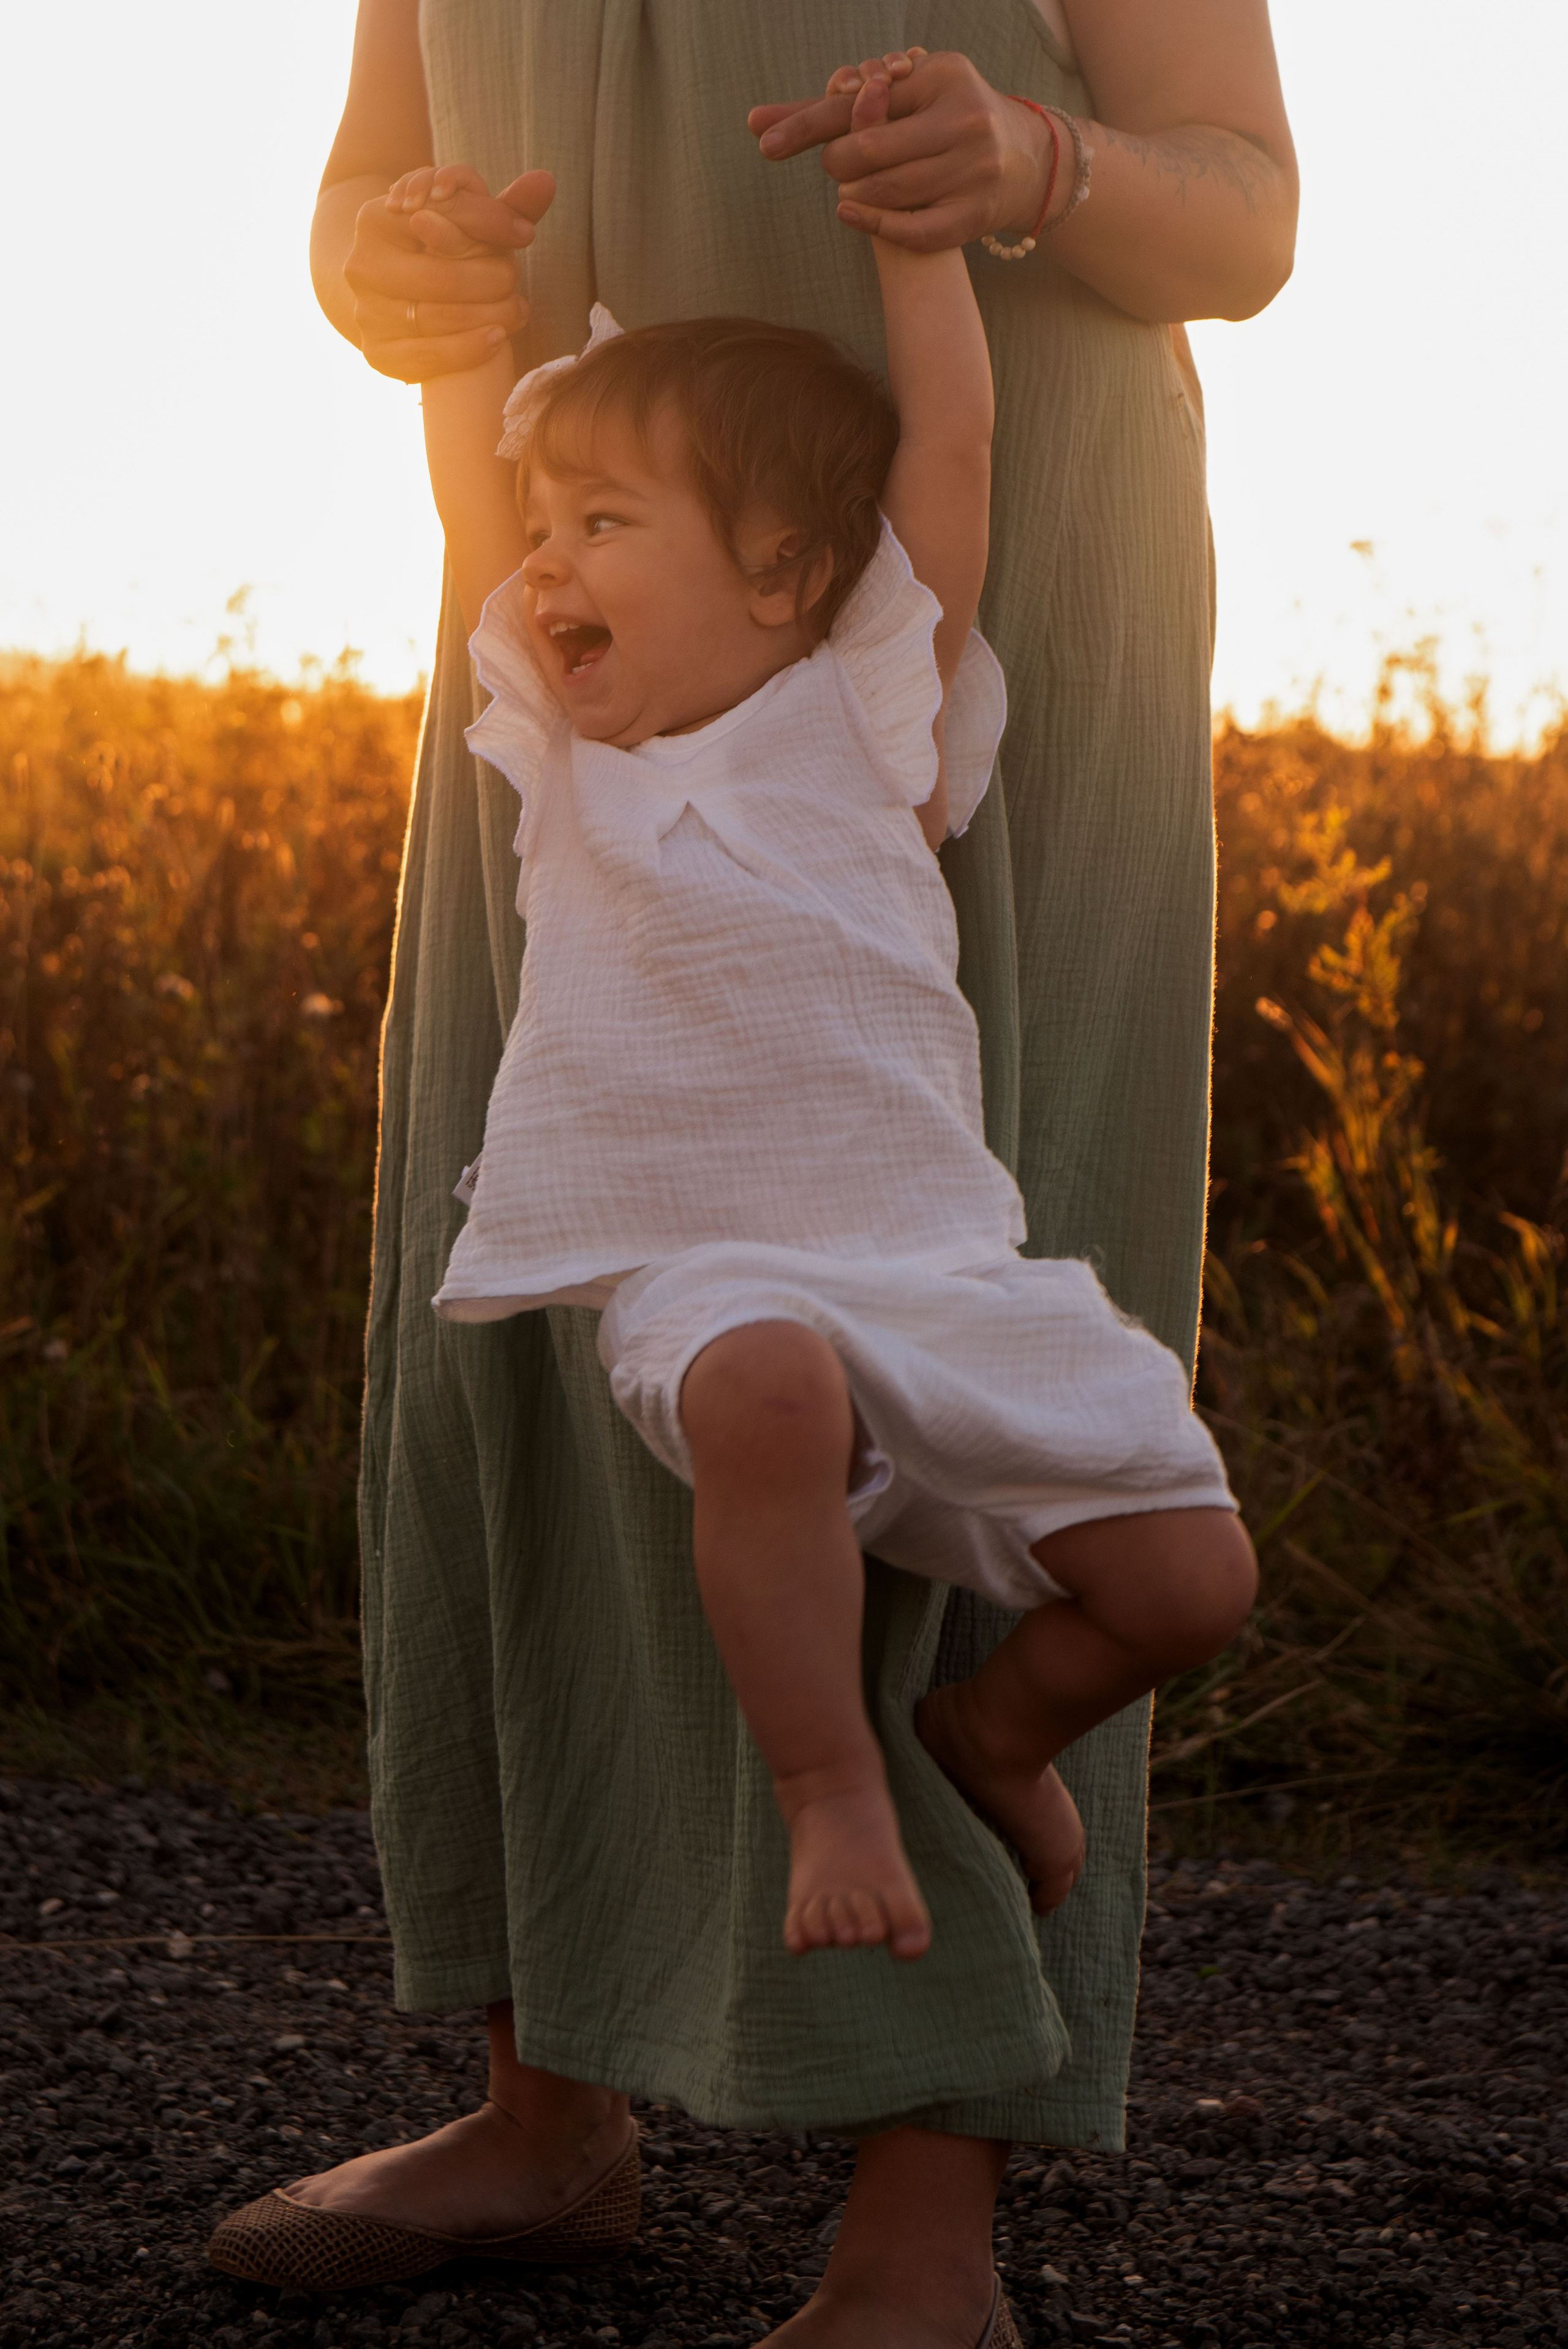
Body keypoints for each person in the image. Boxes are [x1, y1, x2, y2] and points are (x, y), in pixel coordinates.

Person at [209, 10, 1297, 2344]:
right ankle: (543, 2095)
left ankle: (929, 2214)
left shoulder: (908, 654)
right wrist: (397, 284)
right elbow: (360, 204)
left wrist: (1019, 158)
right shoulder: (550, 639)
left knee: (963, 1289)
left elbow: (1247, 206)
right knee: (540, 1288)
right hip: (583, 574)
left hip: (946, 576)